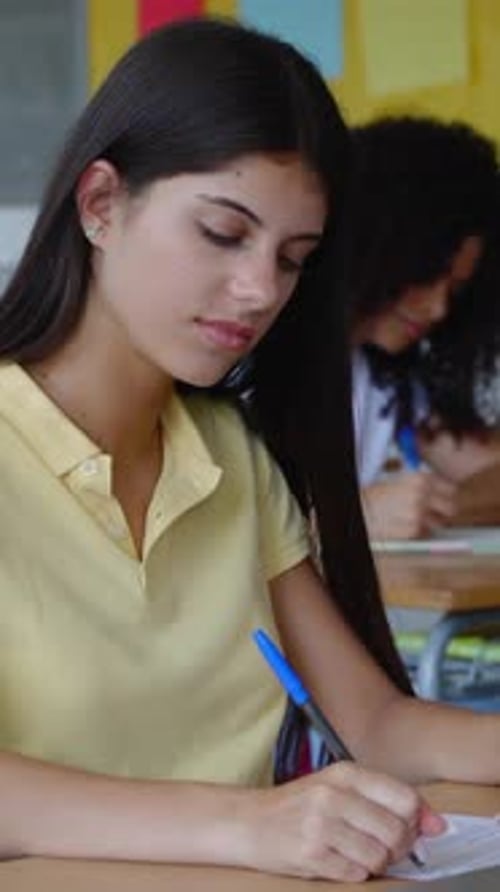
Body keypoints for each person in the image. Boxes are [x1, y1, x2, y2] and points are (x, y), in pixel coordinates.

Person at [1, 17, 500, 883]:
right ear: (101, 205)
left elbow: (377, 726)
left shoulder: (228, 453)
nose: (260, 289)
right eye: (224, 234)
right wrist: (246, 823)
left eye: (294, 258)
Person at [347, 116, 500, 540]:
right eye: (427, 274)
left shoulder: (388, 374)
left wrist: (437, 507)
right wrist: (354, 517)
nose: (438, 308)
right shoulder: (253, 355)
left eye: (456, 289)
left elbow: (490, 468)